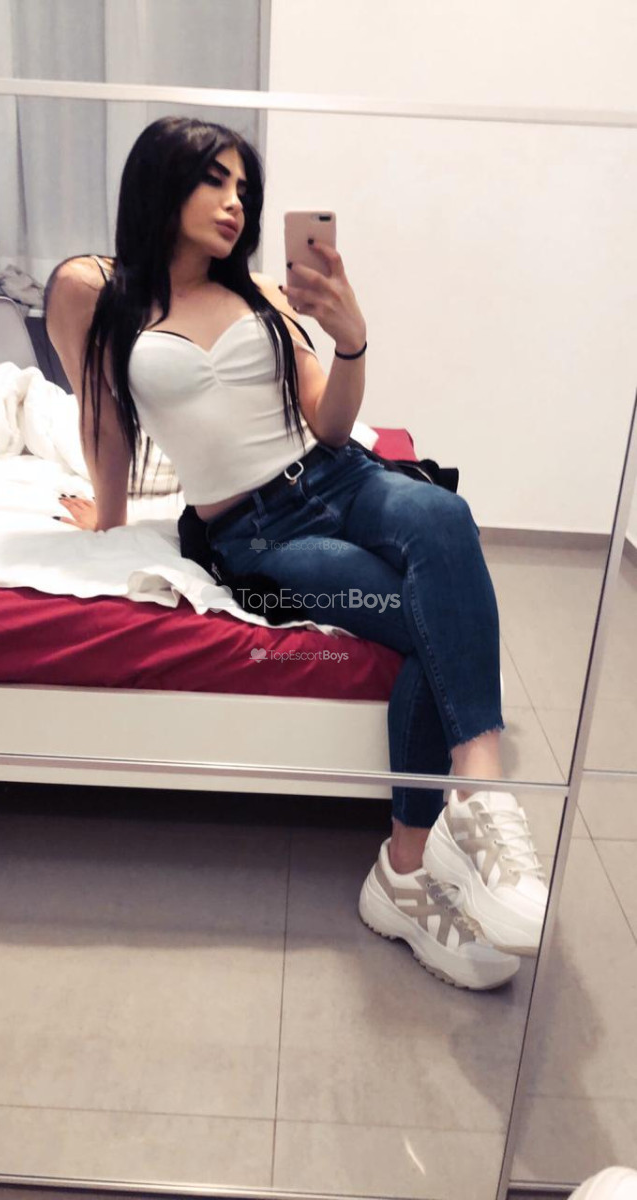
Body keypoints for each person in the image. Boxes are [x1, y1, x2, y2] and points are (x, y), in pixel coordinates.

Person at [45, 115, 547, 992]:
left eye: (244, 188)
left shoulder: (263, 295)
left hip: (338, 477)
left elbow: (333, 425)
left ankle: (471, 795)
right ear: (162, 180)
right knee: (419, 623)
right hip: (256, 537)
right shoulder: (98, 292)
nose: (234, 203)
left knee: (442, 514)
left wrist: (351, 340)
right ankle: (403, 878)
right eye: (214, 180)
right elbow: (103, 416)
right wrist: (110, 517)